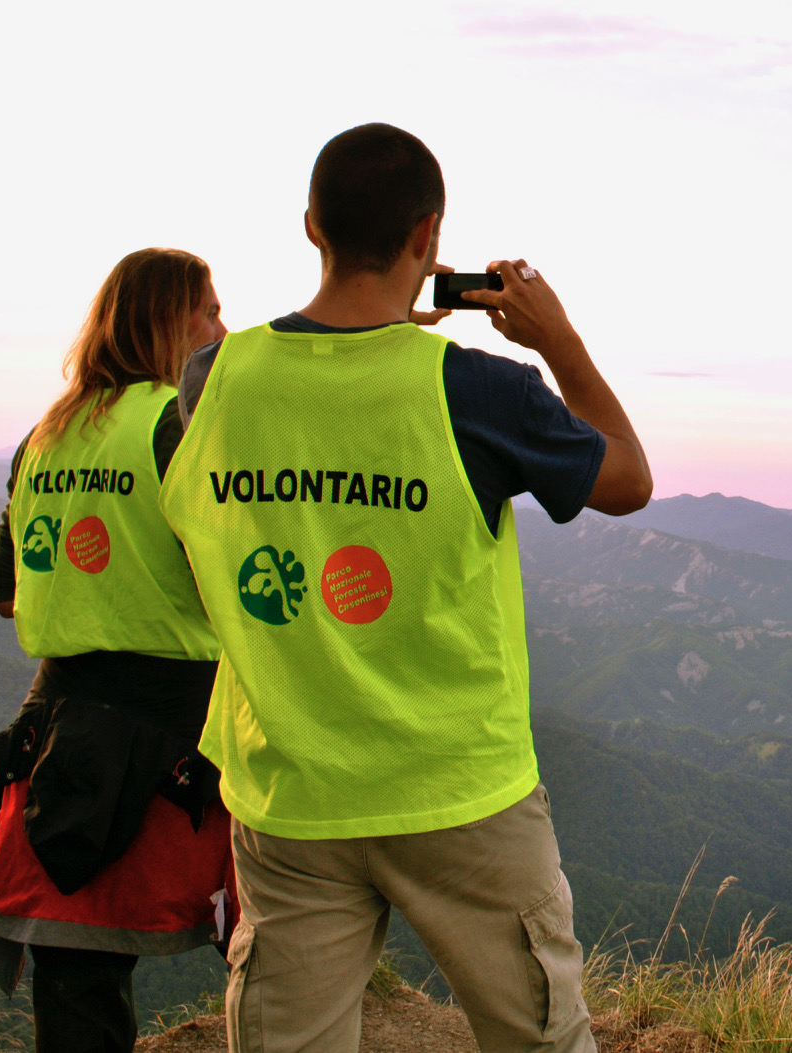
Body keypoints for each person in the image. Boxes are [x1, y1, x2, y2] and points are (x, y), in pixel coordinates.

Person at [159, 123, 653, 1053]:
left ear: (312, 226)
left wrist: (374, 348)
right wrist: (560, 344)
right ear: (428, 237)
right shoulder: (477, 390)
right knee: (540, 1039)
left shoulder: (211, 380)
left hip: (290, 791)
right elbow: (627, 479)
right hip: (459, 792)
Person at [0, 248, 238, 1053]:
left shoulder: (46, 433)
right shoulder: (179, 424)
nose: (223, 327)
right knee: (264, 921)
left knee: (74, 955)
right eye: (208, 311)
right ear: (166, 320)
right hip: (187, 715)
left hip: (61, 721)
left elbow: (10, 593)